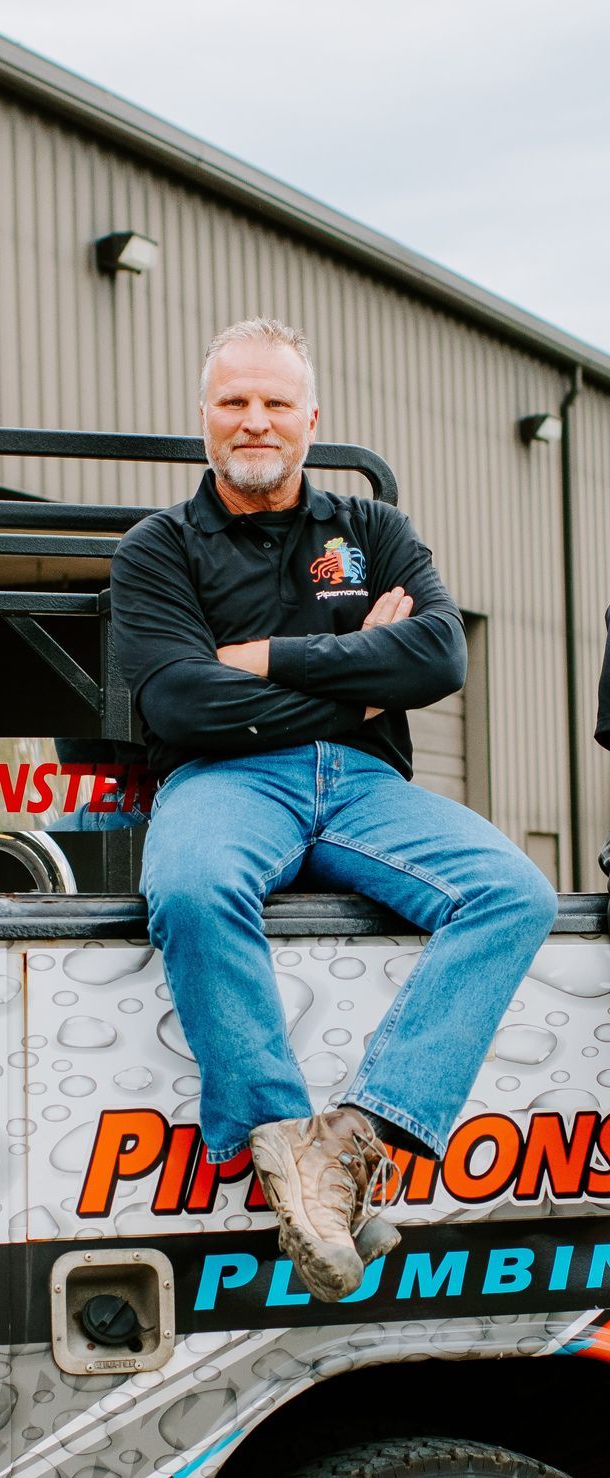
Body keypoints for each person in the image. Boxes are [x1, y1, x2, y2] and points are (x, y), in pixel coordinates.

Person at [112, 317, 557, 1302]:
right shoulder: (158, 549)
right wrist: (360, 683)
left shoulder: (373, 530)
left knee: (513, 892)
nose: (255, 420)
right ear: (204, 416)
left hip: (364, 785)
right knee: (191, 886)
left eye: (276, 401)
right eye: (235, 401)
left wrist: (265, 659)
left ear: (311, 418)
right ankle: (282, 1141)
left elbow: (438, 655)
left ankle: (353, 1142)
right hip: (224, 778)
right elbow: (179, 702)